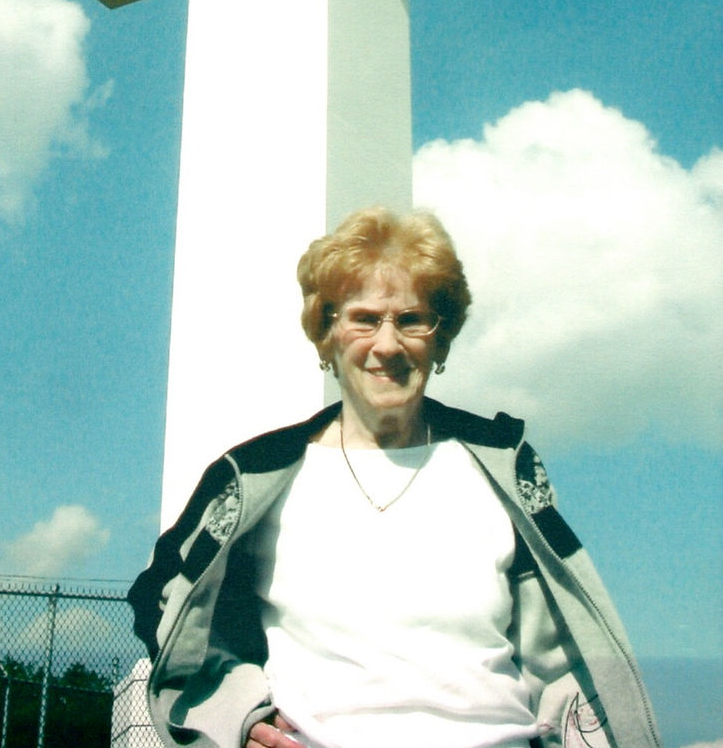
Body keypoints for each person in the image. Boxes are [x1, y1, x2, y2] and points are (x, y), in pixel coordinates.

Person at [128, 207, 661, 748]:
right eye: (364, 319)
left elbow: (564, 657)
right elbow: (162, 605)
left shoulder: (501, 467)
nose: (387, 345)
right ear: (326, 335)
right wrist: (237, 714)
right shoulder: (256, 477)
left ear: (441, 339)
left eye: (411, 320)